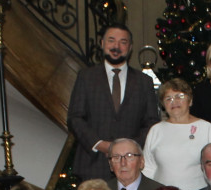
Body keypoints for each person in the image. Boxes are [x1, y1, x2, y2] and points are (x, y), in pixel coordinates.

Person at [67, 23, 159, 181]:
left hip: (131, 166)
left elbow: (152, 122)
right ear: (102, 43)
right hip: (92, 164)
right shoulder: (86, 77)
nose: (116, 46)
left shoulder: (144, 82)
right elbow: (75, 117)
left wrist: (128, 150)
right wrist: (99, 144)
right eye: (111, 40)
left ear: (129, 47)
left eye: (123, 42)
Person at [142, 78, 211, 190]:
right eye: (168, 98)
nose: (174, 102)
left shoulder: (206, 128)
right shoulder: (156, 130)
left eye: (180, 96)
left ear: (190, 101)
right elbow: (147, 168)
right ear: (163, 105)